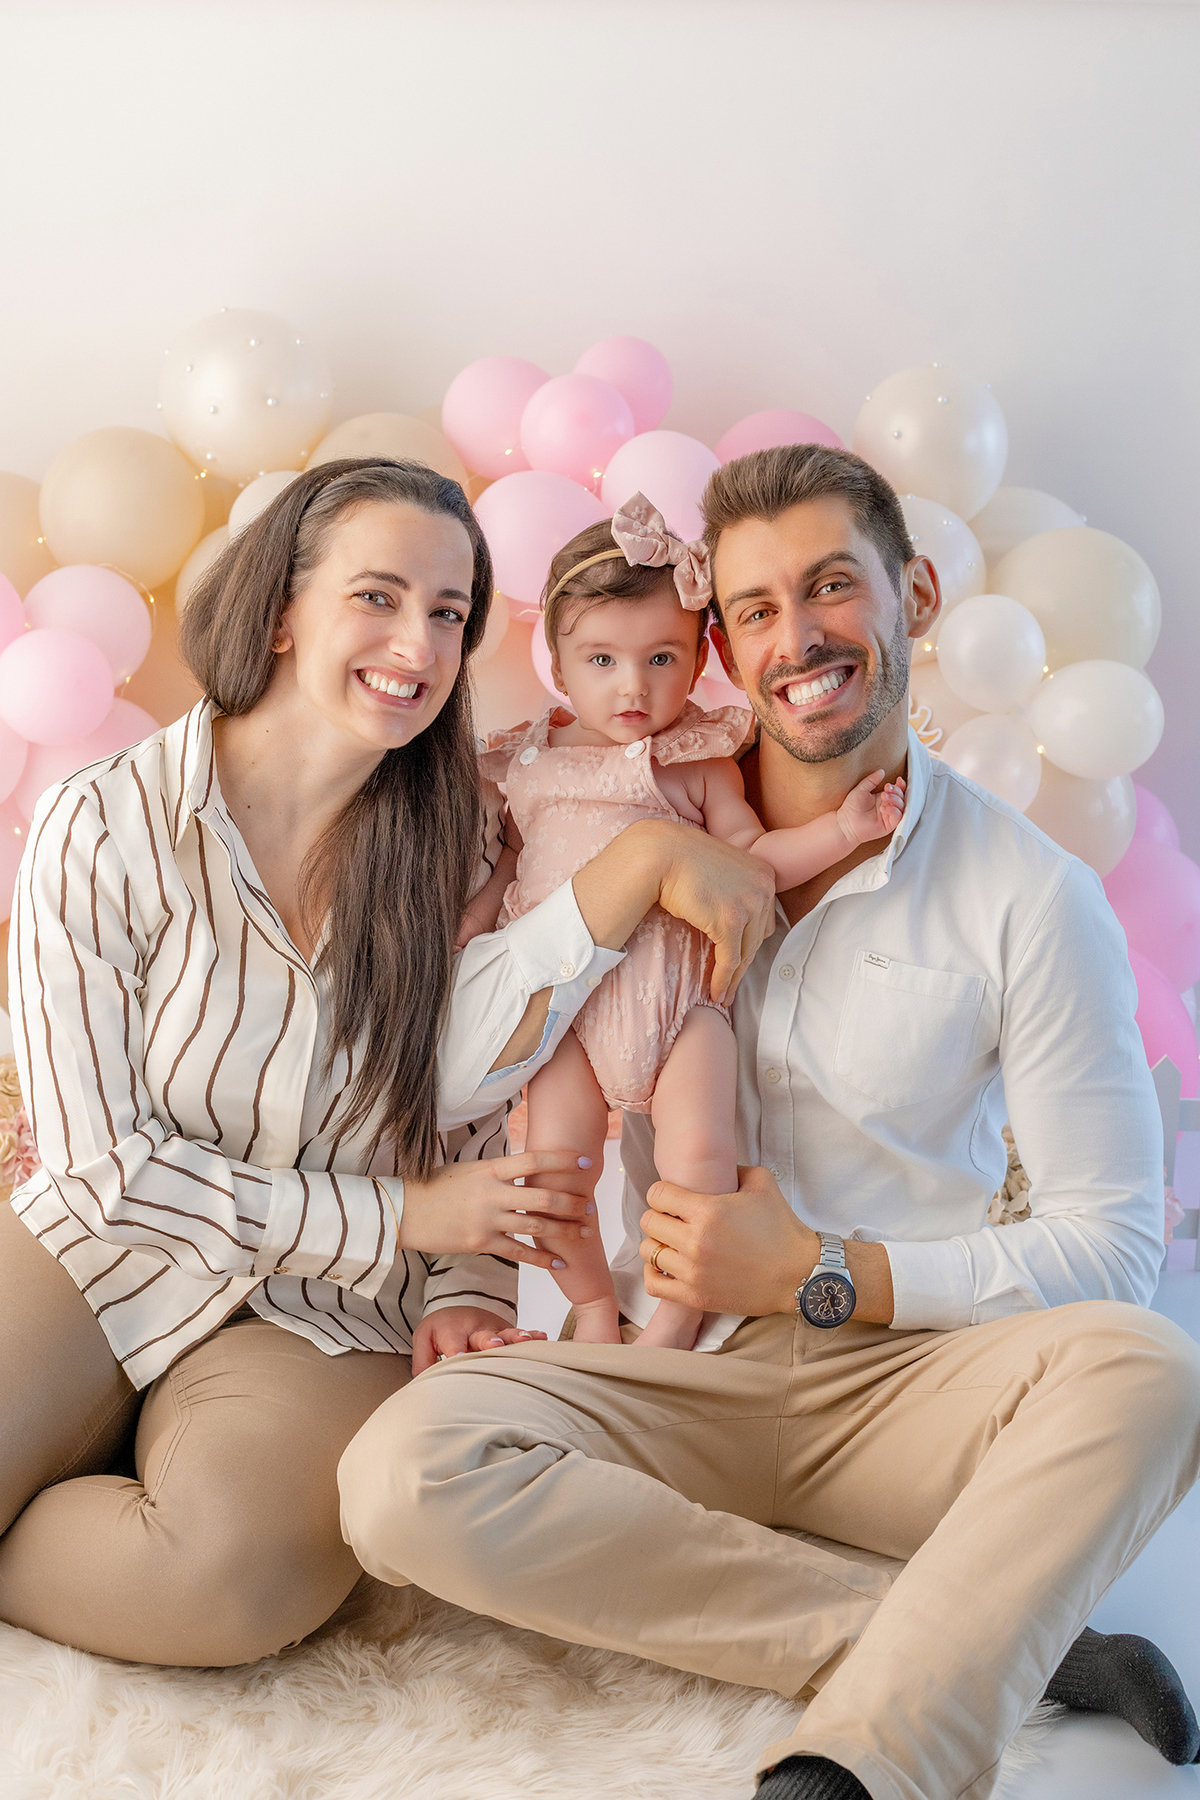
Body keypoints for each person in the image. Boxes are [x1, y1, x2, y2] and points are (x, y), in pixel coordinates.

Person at [338, 445, 1200, 1800]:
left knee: (1150, 1368)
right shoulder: (622, 809)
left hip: (900, 1388)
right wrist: (638, 870)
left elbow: (1112, 1249)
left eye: (833, 588)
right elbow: (452, 1076)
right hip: (653, 1379)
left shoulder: (1032, 897)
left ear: (912, 596)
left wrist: (822, 1274)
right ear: (721, 642)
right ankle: (969, 1645)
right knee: (399, 1475)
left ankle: (863, 1763)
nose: (798, 638)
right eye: (754, 609)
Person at [0, 457, 776, 1667]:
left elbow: (478, 1090)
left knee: (233, 1587)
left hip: (323, 1314)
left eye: (450, 611)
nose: (417, 641)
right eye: (377, 596)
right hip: (109, 1250)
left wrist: (464, 1286)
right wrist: (404, 1218)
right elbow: (102, 1171)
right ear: (281, 611)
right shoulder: (104, 820)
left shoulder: (469, 831)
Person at [471, 492, 903, 1349]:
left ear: (701, 656)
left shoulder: (696, 763)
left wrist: (841, 830)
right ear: (558, 663)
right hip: (563, 1016)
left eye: (662, 658)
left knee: (697, 1166)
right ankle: (591, 1304)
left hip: (679, 1010)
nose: (634, 686)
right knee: (555, 1174)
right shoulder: (523, 762)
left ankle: (678, 1313)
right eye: (601, 660)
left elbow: (753, 866)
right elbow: (508, 870)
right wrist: (471, 929)